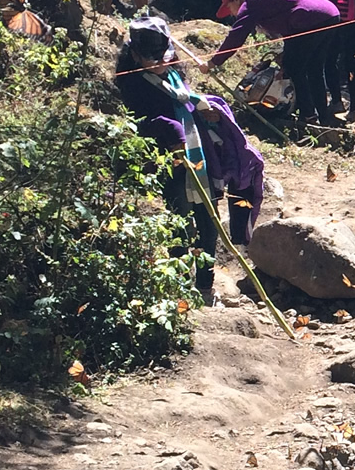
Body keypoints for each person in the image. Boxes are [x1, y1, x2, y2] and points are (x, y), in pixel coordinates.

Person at [113, 16, 265, 298]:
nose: (160, 63)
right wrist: (171, 130)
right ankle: (179, 288)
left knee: (209, 221)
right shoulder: (134, 84)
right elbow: (140, 120)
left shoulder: (174, 76)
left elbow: (187, 101)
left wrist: (206, 112)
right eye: (151, 59)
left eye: (164, 57)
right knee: (179, 224)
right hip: (169, 162)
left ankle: (205, 288)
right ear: (135, 56)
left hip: (201, 159)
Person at [207, 0, 340, 123]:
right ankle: (324, 116)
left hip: (311, 19)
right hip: (329, 14)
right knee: (314, 68)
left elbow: (237, 36)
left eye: (229, 6)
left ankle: (308, 115)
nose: (231, 13)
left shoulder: (251, 2)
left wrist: (213, 62)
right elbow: (289, 23)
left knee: (294, 68)